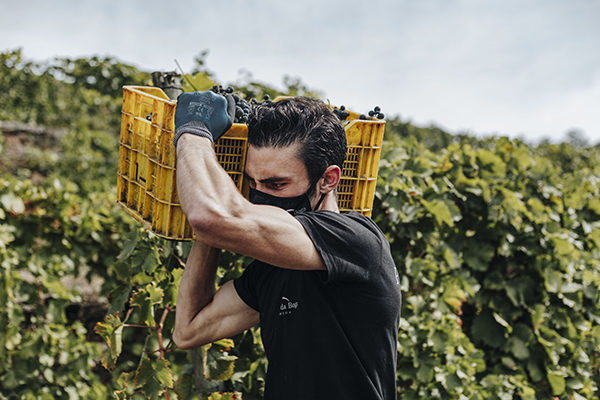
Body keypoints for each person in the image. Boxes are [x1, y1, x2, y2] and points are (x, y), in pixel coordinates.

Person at [172, 90, 401, 400]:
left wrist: (193, 132)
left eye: (276, 184)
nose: (260, 195)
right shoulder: (270, 271)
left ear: (328, 180)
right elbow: (188, 329)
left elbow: (207, 217)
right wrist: (220, 220)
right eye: (252, 183)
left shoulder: (356, 241)